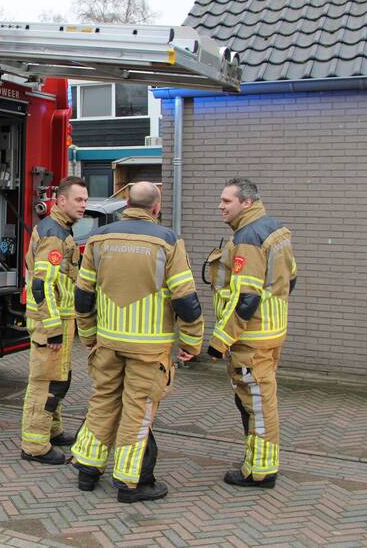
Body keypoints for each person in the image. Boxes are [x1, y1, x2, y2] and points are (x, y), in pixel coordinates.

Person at [70, 182, 204, 502]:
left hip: (108, 341)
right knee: (137, 411)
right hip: (148, 347)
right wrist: (192, 341)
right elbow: (185, 299)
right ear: (156, 208)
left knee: (103, 401)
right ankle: (131, 483)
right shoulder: (169, 241)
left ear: (126, 202)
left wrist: (87, 334)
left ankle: (88, 470)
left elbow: (83, 294)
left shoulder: (99, 239)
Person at [205, 178, 297, 489]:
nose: (220, 206)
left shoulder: (249, 238)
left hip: (251, 339)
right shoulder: (274, 228)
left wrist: (220, 342)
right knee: (259, 400)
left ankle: (260, 471)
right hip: (270, 333)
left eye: (227, 201)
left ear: (246, 203)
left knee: (257, 404)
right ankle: (257, 461)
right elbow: (291, 279)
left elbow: (247, 299)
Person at [20, 175, 89, 464]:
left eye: (85, 200)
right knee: (46, 382)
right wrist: (52, 329)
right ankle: (35, 447)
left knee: (60, 377)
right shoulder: (54, 235)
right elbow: (41, 286)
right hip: (51, 323)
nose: (83, 205)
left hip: (60, 320)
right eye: (78, 200)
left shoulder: (59, 229)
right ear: (60, 201)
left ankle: (52, 429)